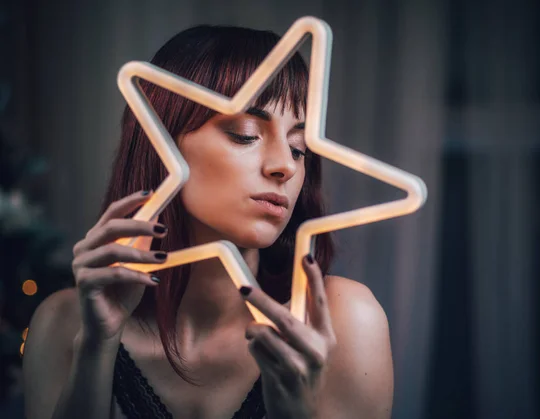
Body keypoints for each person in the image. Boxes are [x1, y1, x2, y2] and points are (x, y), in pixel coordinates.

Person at [22, 24, 393, 419]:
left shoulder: (344, 322)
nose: (285, 165)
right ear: (160, 144)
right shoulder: (64, 324)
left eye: (299, 148)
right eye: (246, 133)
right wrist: (97, 348)